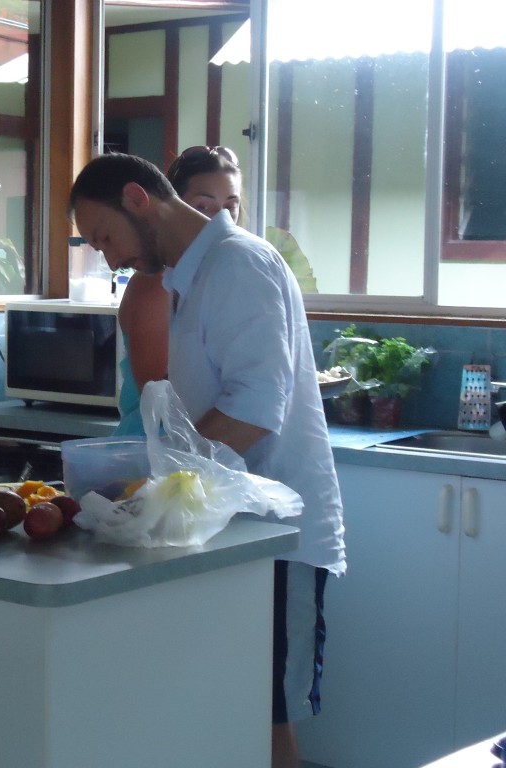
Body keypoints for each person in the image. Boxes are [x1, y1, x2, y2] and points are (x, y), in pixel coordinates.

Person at [70, 152, 345, 768]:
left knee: (266, 714)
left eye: (105, 237)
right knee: (228, 705)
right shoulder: (185, 279)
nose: (109, 258)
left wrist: (161, 483)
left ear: (139, 199)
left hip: (278, 535)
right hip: (230, 528)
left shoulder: (238, 264)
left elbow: (252, 410)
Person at [114, 145, 243, 434]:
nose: (218, 219)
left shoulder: (226, 272)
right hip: (150, 454)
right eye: (203, 206)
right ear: (173, 205)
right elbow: (160, 398)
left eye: (230, 206)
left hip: (198, 453)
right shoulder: (154, 282)